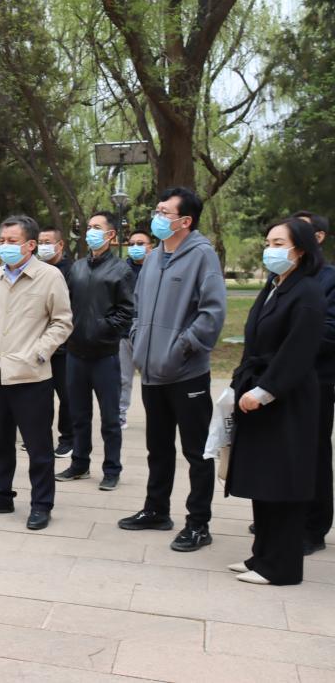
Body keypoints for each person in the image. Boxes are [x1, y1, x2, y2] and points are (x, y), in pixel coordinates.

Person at [118, 187, 226, 552]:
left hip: (186, 373)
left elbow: (212, 313)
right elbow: (137, 306)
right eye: (158, 210)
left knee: (197, 452)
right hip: (151, 372)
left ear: (185, 221)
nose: (157, 217)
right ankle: (156, 510)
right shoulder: (153, 258)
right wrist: (138, 339)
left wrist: (181, 348)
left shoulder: (202, 255)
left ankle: (198, 523)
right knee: (158, 447)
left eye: (165, 212)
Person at [226, 217, 324, 585]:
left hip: (287, 398)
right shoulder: (275, 284)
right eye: (268, 243)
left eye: (279, 244)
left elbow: (298, 349)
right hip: (258, 389)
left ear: (301, 249)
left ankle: (282, 566)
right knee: (264, 479)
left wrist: (265, 390)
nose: (271, 250)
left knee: (284, 480)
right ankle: (261, 556)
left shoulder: (308, 291)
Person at [0, 215, 72, 530]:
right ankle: (1, 495)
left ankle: (41, 504)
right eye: (2, 241)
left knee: (38, 446)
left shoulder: (49, 276)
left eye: (12, 241)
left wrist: (40, 352)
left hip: (31, 376)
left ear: (30, 245)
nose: (5, 247)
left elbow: (62, 321)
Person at [55, 211, 135, 491]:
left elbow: (126, 312)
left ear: (111, 235)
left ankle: (111, 469)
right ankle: (79, 463)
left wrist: (102, 328)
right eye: (88, 227)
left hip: (105, 356)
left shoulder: (121, 270)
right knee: (79, 415)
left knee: (110, 419)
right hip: (75, 354)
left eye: (97, 227)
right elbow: (65, 306)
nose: (90, 232)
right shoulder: (76, 268)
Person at [292, 210, 335, 556]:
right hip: (280, 380)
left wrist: (287, 349)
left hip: (316, 380)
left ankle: (314, 527)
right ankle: (285, 516)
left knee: (315, 453)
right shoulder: (285, 276)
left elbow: (328, 332)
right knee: (286, 452)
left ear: (317, 237)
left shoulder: (329, 279)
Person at [36, 226, 74, 458]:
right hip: (38, 345)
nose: (43, 247)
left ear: (60, 245)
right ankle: (40, 437)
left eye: (47, 242)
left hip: (63, 347)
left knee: (66, 396)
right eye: (40, 242)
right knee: (41, 397)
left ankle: (67, 439)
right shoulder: (37, 270)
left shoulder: (71, 272)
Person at [119, 229, 153, 429]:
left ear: (150, 246)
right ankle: (120, 414)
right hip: (124, 332)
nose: (135, 247)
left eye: (140, 243)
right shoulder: (121, 270)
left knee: (152, 377)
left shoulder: (158, 268)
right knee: (123, 378)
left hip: (149, 332)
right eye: (131, 244)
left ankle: (157, 415)